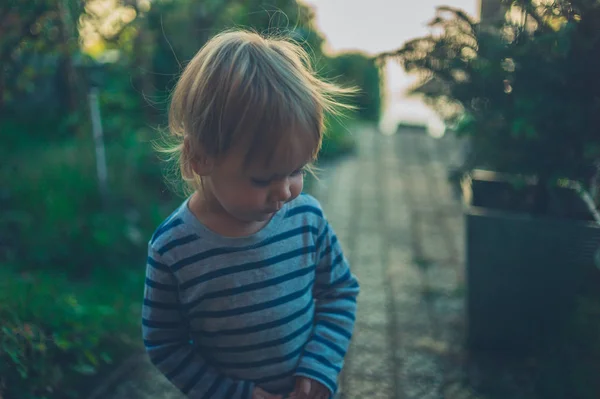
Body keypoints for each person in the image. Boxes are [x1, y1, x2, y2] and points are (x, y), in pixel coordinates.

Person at [141, 29, 360, 399]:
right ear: (200, 158)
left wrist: (320, 368)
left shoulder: (306, 218)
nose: (286, 191)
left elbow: (340, 291)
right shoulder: (174, 249)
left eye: (296, 171)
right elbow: (164, 342)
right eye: (263, 179)